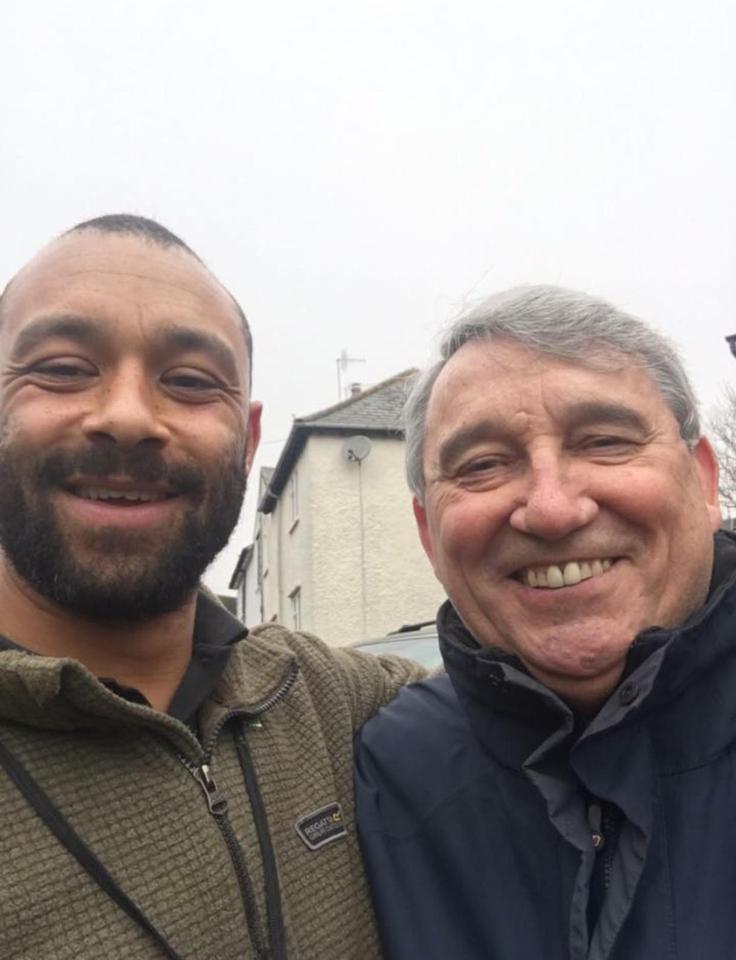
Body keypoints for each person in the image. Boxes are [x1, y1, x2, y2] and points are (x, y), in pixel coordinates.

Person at [0, 214, 423, 960]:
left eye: (191, 383)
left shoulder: (333, 702)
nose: (129, 417)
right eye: (64, 368)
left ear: (249, 438)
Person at [355, 285, 733, 960]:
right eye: (483, 465)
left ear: (704, 483)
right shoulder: (383, 774)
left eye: (605, 442)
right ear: (428, 535)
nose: (553, 510)